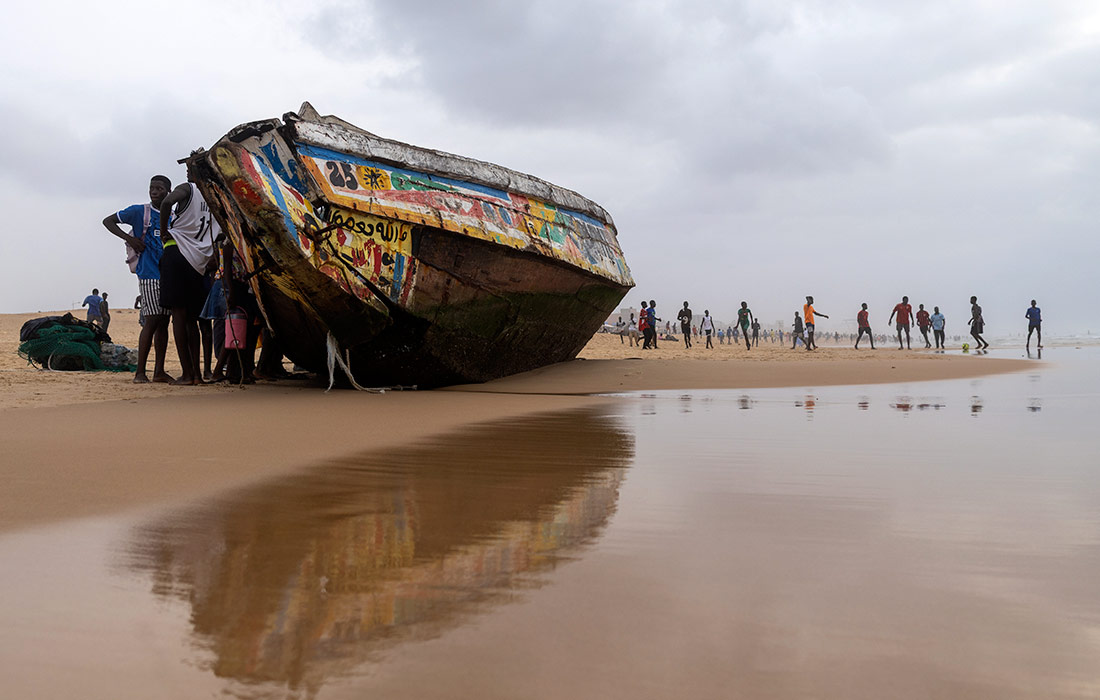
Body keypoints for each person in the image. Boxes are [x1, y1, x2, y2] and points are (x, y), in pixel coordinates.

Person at [102, 174, 173, 383]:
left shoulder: (173, 215)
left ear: (167, 192)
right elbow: (108, 221)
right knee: (151, 320)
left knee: (164, 322)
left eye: (159, 188)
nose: (154, 191)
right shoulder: (139, 211)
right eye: (152, 188)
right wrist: (130, 238)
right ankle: (140, 372)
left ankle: (159, 371)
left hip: (168, 273)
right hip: (149, 272)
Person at [159, 152, 221, 385]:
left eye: (190, 166)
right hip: (199, 262)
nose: (187, 170)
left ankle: (187, 373)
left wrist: (164, 230)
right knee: (193, 320)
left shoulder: (188, 189)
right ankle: (196, 374)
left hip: (177, 253)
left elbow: (166, 202)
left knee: (179, 316)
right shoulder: (216, 197)